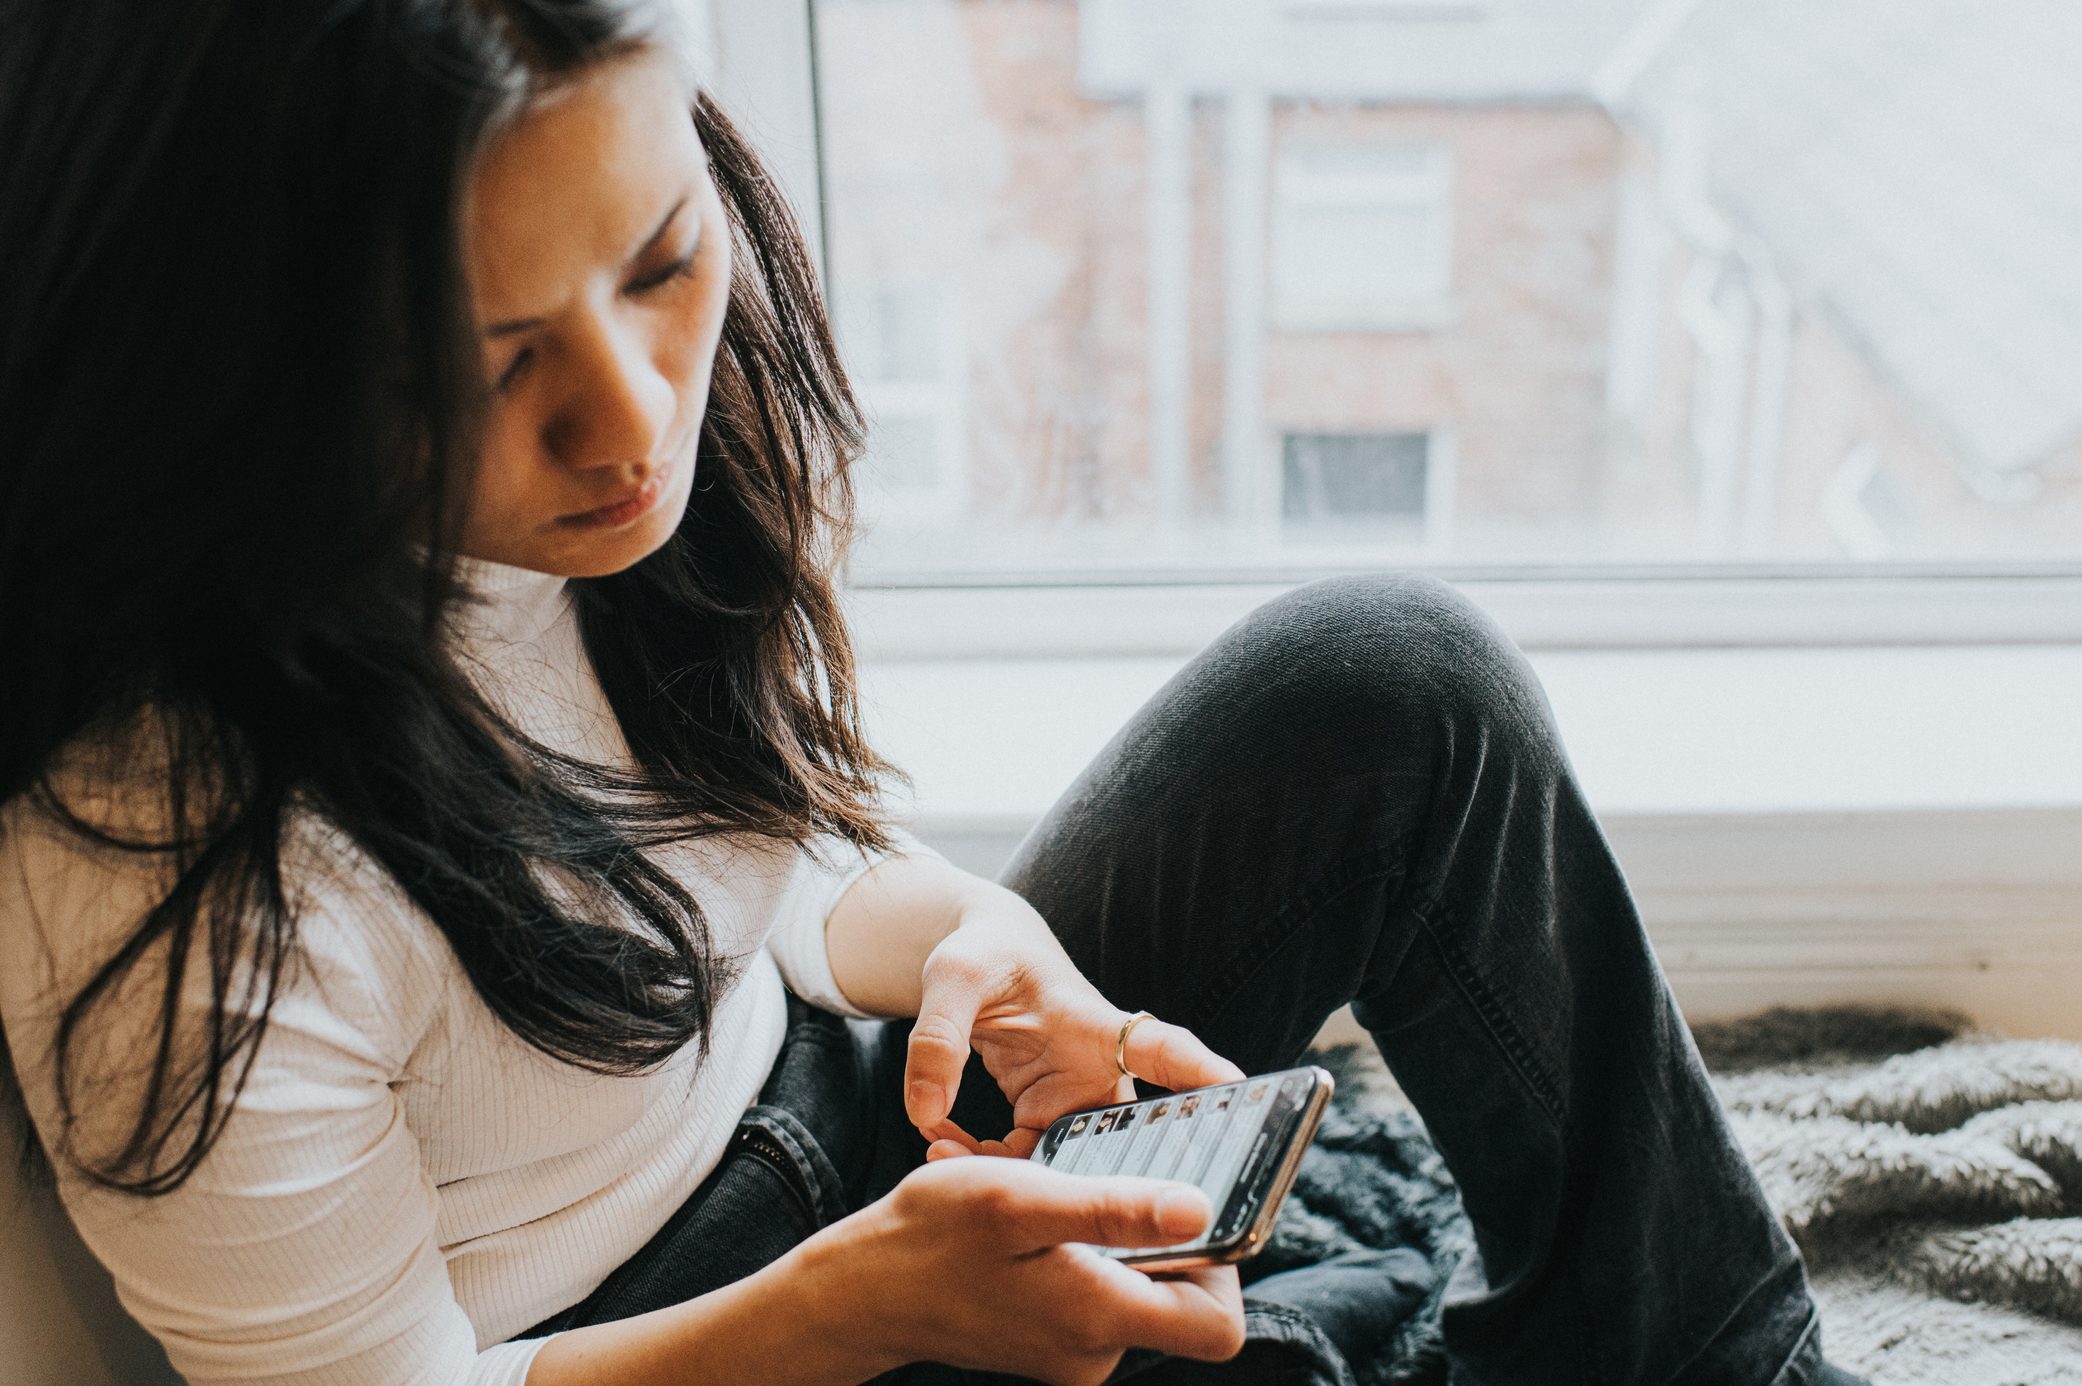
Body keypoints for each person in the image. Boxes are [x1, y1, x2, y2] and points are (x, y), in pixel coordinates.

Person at [0, 3, 1869, 1383]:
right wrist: (856, 1302)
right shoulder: (165, 897)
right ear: (228, 368)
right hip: (648, 1344)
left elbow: (774, 879)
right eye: (478, 370)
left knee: (1394, 689)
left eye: (661, 261)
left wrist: (969, 935)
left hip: (848, 1136)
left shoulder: (607, 488)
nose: (633, 423)